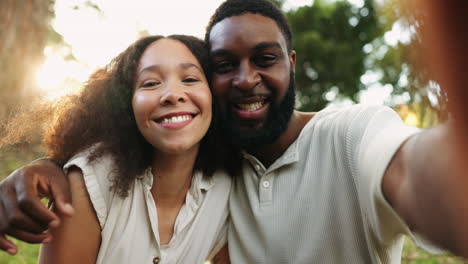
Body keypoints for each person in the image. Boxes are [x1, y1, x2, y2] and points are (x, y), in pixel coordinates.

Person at [1, 0, 468, 262]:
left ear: (292, 64)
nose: (245, 80)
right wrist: (50, 166)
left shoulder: (353, 134)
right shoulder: (219, 168)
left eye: (265, 59)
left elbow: (412, 170)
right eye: (224, 66)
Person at [1, 34, 234, 263]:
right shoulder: (89, 185)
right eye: (151, 83)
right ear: (127, 105)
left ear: (214, 96)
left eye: (191, 79)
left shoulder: (227, 189)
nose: (172, 95)